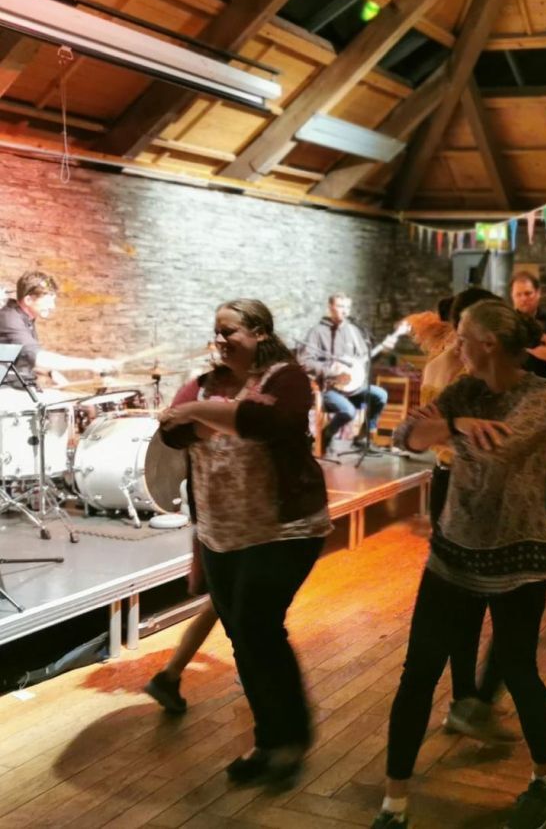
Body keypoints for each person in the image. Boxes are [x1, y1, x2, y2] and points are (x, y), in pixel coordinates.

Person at [377, 300, 546, 829]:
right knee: (418, 676)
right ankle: (394, 803)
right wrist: (458, 423)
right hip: (453, 552)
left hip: (518, 558)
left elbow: (501, 448)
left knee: (522, 672)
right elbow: (405, 436)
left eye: (463, 337)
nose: (455, 345)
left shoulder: (540, 395)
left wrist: (448, 430)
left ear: (489, 345)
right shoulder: (464, 390)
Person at [158, 299, 330, 786]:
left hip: (283, 529)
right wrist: (205, 411)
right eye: (216, 330)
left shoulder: (286, 378)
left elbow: (265, 423)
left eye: (229, 330)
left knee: (259, 627)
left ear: (257, 331)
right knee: (242, 638)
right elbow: (171, 435)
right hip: (222, 531)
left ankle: (291, 739)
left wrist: (194, 412)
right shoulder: (203, 383)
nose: (220, 339)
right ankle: (269, 741)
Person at [416, 286, 513, 743]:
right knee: (488, 603)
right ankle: (467, 700)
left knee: (471, 602)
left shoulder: (445, 365)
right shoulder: (466, 373)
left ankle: (466, 698)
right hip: (466, 489)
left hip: (449, 483)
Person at [301, 294, 390, 453]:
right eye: (341, 306)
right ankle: (324, 437)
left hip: (352, 389)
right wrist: (331, 372)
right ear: (330, 308)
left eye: (347, 307)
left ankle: (363, 436)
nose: (345, 311)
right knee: (347, 411)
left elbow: (364, 361)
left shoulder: (354, 331)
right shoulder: (317, 332)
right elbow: (305, 361)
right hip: (328, 389)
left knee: (380, 395)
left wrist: (382, 352)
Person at [0, 271, 118, 388]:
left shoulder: (24, 317)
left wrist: (50, 372)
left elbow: (23, 357)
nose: (53, 306)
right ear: (28, 300)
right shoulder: (9, 318)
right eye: (48, 300)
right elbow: (36, 357)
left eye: (53, 300)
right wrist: (92, 364)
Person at [511, 272, 546, 514]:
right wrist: (538, 344)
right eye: (519, 294)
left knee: (543, 460)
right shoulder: (507, 322)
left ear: (538, 294)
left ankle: (541, 518)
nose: (524, 299)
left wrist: (525, 346)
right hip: (511, 398)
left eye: (528, 293)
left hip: (542, 397)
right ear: (512, 297)